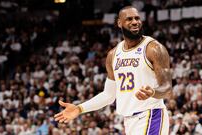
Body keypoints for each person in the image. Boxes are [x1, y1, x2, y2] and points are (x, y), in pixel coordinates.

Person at [54, 6, 172, 135]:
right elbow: (108, 95)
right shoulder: (113, 55)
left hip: (152, 115)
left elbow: (167, 88)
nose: (134, 22)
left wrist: (153, 92)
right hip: (129, 121)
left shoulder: (154, 48)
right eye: (129, 19)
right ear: (119, 23)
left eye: (137, 18)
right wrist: (80, 108)